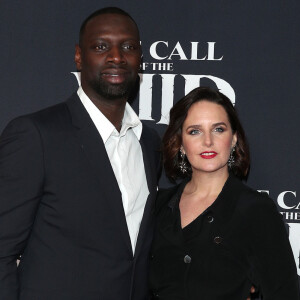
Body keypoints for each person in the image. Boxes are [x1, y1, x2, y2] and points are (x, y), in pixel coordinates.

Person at [0, 7, 161, 300]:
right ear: (78, 56)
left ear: (140, 58)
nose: (116, 56)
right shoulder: (36, 135)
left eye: (128, 47)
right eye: (101, 46)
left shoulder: (149, 143)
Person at [149, 87, 300, 299]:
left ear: (234, 139)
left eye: (218, 129)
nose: (208, 141)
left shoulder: (256, 212)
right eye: (195, 131)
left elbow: (285, 293)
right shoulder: (158, 206)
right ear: (181, 144)